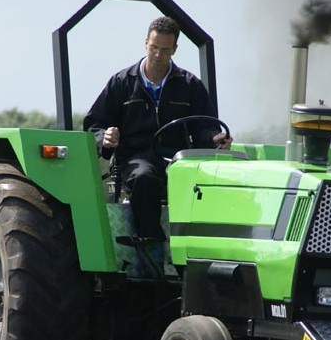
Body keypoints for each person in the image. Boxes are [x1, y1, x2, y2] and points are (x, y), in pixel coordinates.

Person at [83, 16, 231, 274]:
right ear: (145, 43)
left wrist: (214, 139)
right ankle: (151, 248)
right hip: (136, 157)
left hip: (179, 158)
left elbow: (204, 127)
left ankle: (204, 253)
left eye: (165, 49)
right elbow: (94, 124)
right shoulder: (122, 82)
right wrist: (104, 137)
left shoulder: (189, 85)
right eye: (154, 48)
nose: (158, 55)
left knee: (212, 181)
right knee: (144, 177)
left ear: (175, 49)